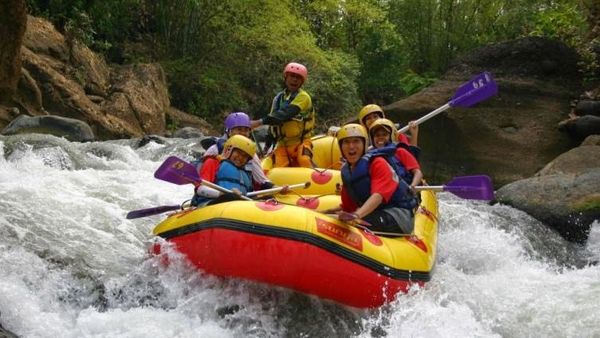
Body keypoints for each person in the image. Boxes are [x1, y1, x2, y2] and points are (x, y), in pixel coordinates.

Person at [329, 123, 418, 235]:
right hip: (374, 213)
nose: (351, 146)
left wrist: (356, 215)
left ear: (364, 144)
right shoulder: (346, 171)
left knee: (351, 225)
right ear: (341, 147)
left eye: (356, 141)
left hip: (398, 215)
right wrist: (322, 213)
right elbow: (347, 207)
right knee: (337, 221)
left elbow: (378, 196)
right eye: (346, 142)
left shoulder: (378, 163)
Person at [250, 62, 315, 168]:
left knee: (304, 160)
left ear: (302, 82)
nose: (294, 80)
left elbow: (285, 114)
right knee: (278, 167)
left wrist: (258, 122)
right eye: (292, 76)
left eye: (298, 78)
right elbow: (273, 125)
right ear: (286, 77)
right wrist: (267, 146)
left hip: (301, 142)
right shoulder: (278, 98)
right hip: (283, 144)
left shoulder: (304, 97)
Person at [202, 112, 274, 190]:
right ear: (229, 131)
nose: (243, 133)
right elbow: (202, 173)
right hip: (216, 193)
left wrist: (274, 188)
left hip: (241, 194)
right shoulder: (215, 149)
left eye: (246, 130)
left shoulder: (250, 153)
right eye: (239, 129)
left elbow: (262, 180)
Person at [191, 134, 258, 206]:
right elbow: (200, 190)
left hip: (238, 207)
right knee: (231, 197)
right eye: (238, 153)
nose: (241, 158)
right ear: (229, 150)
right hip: (210, 204)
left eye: (245, 156)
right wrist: (222, 194)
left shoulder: (246, 174)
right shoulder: (213, 162)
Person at [368, 118, 423, 190]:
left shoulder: (400, 152)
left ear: (391, 136)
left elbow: (417, 172)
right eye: (377, 135)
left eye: (384, 135)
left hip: (404, 193)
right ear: (372, 138)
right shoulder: (369, 156)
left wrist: (412, 186)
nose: (380, 137)